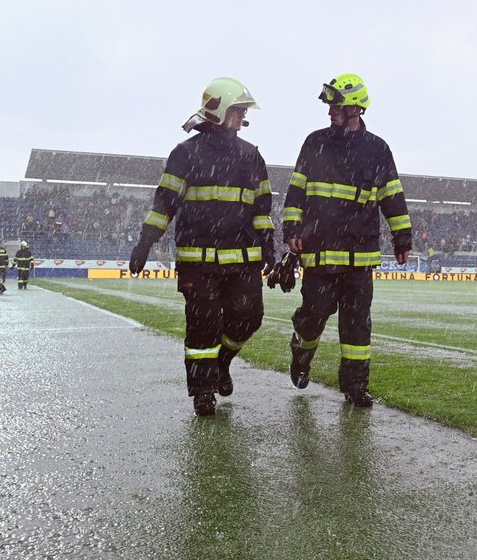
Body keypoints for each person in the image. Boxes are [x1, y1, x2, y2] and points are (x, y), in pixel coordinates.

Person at [129, 77, 276, 417]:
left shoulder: (251, 155)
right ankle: (203, 392)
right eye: (238, 110)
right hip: (198, 263)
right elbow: (163, 204)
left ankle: (222, 364)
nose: (242, 117)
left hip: (243, 261)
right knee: (202, 327)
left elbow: (262, 208)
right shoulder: (185, 154)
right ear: (221, 110)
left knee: (249, 319)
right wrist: (144, 243)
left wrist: (268, 246)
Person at [279, 72, 412, 407]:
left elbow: (392, 197)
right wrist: (292, 230)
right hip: (320, 256)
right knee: (312, 320)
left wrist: (402, 238)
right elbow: (296, 190)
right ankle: (301, 352)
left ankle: (355, 386)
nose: (329, 112)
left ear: (355, 108)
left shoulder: (378, 150)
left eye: (335, 105)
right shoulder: (314, 142)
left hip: (359, 259)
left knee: (357, 329)